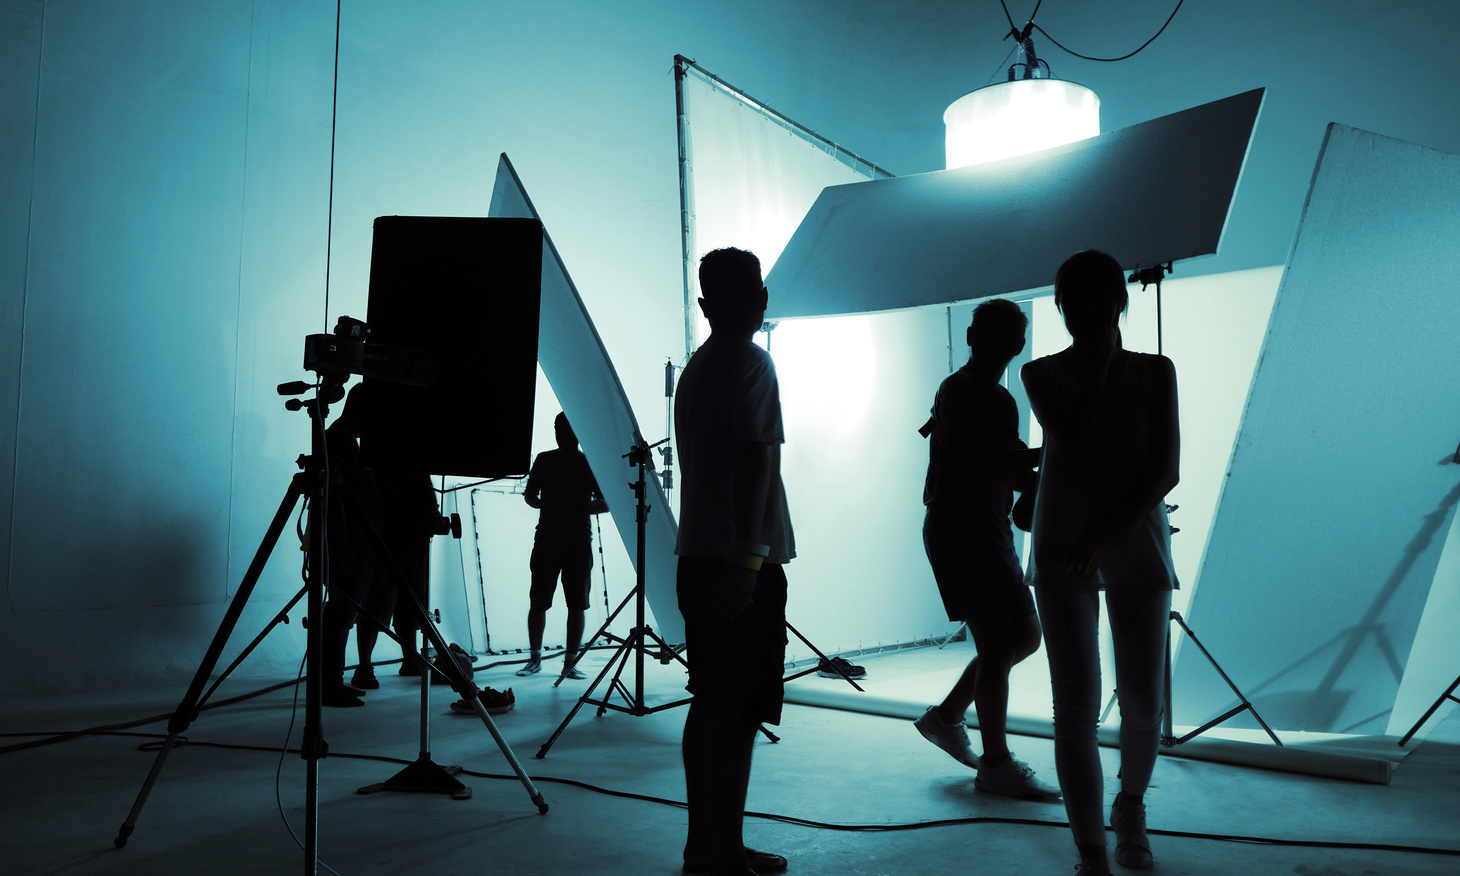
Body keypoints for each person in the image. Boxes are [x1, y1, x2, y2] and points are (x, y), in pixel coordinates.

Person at [1021, 250, 1180, 876]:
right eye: (1071, 303)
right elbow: (1075, 440)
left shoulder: (1156, 371)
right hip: (1064, 541)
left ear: (1119, 300)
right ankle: (1090, 848)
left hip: (1133, 538)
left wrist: (1105, 533)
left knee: (1143, 700)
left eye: (1095, 299)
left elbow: (1165, 469)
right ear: (1061, 307)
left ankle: (1131, 809)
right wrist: (1100, 365)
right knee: (1076, 703)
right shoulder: (1041, 373)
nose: (1081, 313)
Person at [675, 247, 794, 876]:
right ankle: (720, 852)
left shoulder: (698, 368)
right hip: (736, 561)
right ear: (759, 299)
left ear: (704, 305)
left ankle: (710, 845)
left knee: (712, 707)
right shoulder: (752, 364)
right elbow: (758, 462)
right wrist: (750, 558)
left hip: (699, 557)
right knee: (736, 712)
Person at [912, 299, 1060, 801]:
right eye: (986, 334)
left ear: (1015, 346)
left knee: (1025, 637)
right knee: (999, 644)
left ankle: (947, 717)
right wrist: (1059, 452)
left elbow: (1008, 466)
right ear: (975, 339)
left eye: (1003, 336)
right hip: (960, 532)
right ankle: (995, 764)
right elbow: (988, 461)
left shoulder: (1000, 400)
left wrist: (1037, 474)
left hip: (989, 532)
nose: (993, 344)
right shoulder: (959, 390)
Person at [517, 412, 607, 680]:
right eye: (558, 427)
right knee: (541, 601)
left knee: (574, 603)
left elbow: (605, 503)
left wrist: (563, 507)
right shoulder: (549, 460)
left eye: (563, 427)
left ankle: (565, 661)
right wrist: (565, 507)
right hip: (556, 540)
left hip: (571, 542)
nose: (560, 432)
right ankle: (543, 660)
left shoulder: (586, 462)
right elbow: (530, 496)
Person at [318, 383, 383, 708]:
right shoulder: (338, 444)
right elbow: (336, 500)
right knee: (340, 613)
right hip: (349, 547)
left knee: (344, 613)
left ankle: (333, 681)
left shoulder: (344, 443)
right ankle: (329, 684)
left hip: (356, 545)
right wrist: (342, 546)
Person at [351, 469, 437, 689]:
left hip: (414, 541)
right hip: (386, 541)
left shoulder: (417, 464)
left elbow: (429, 496)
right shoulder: (377, 462)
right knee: (376, 606)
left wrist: (431, 517)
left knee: (412, 606)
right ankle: (364, 667)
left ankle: (409, 660)